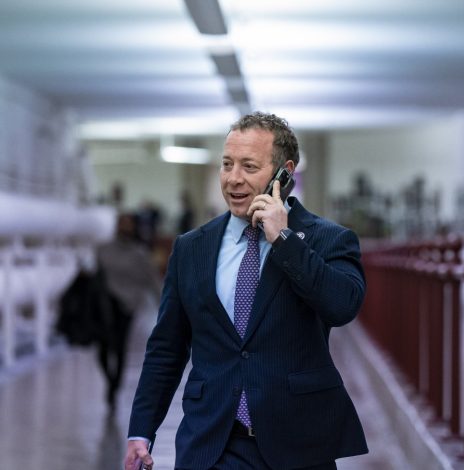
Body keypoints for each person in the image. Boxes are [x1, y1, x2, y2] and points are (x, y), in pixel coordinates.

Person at [124, 112, 368, 470]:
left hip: (298, 444)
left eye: (249, 167)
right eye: (227, 164)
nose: (233, 179)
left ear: (284, 173)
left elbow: (342, 306)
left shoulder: (327, 239)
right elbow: (167, 348)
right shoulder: (192, 248)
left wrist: (284, 241)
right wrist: (141, 430)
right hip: (212, 444)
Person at [96, 212, 161, 411]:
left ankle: (114, 386)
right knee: (103, 348)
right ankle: (111, 381)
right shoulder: (103, 250)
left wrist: (164, 304)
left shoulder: (139, 254)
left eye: (128, 224)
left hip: (128, 306)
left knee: (120, 346)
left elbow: (152, 281)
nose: (125, 227)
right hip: (106, 305)